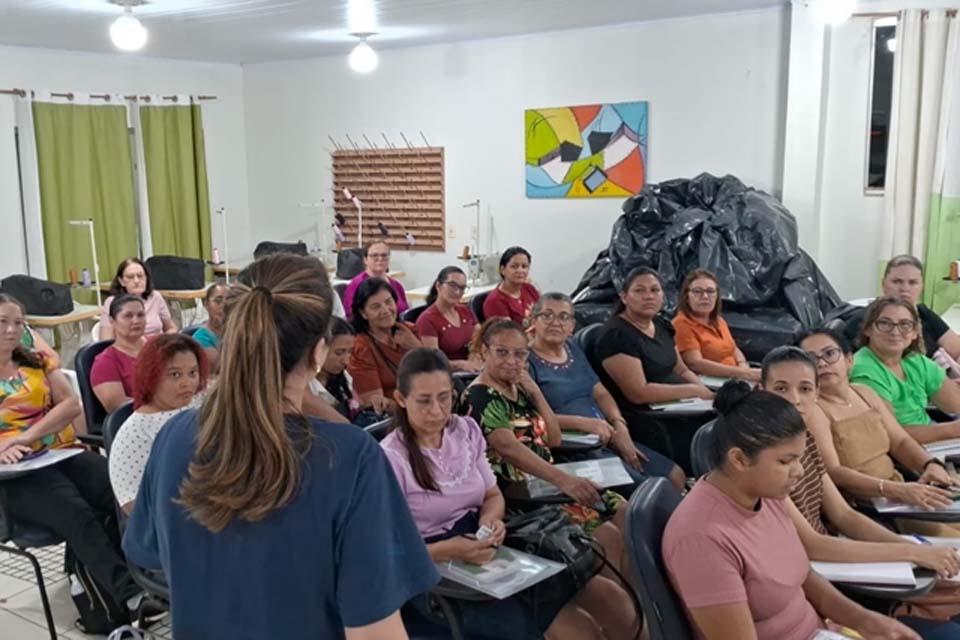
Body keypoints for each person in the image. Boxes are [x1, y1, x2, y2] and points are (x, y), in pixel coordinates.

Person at [122, 253, 439, 640]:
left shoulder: (173, 438)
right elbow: (375, 633)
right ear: (319, 351)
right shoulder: (349, 458)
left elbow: (154, 553)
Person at [383, 347, 640, 640]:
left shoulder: (464, 430)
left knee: (612, 598)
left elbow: (492, 496)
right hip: (432, 566)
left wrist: (490, 522)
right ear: (401, 399)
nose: (437, 411)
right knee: (577, 629)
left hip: (482, 543)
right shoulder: (390, 459)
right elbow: (384, 551)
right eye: (424, 401)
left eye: (444, 398)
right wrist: (452, 549)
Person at [663, 380, 919, 640]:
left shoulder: (764, 493)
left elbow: (802, 576)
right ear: (739, 459)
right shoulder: (700, 538)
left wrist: (864, 620)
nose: (799, 471)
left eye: (799, 458)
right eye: (786, 461)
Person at [758, 346, 960, 638]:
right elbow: (811, 544)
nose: (794, 399)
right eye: (780, 388)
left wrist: (919, 552)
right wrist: (910, 551)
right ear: (761, 390)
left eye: (805, 389)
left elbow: (844, 515)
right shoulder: (762, 457)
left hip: (841, 562)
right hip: (822, 579)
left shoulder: (805, 441)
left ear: (816, 394)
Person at [0, 293, 143, 628]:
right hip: (13, 474)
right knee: (75, 510)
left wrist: (26, 437)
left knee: (123, 491)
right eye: (2, 322)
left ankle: (154, 569)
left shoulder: (36, 361)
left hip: (57, 452)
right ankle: (131, 594)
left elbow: (71, 404)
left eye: (18, 323)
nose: (11, 330)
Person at [461, 318, 627, 568]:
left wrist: (536, 394)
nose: (511, 361)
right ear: (485, 352)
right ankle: (608, 585)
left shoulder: (517, 388)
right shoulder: (481, 395)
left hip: (545, 482)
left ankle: (626, 584)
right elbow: (508, 448)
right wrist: (564, 481)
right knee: (608, 535)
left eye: (519, 354)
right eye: (502, 352)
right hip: (518, 494)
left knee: (624, 510)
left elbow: (553, 438)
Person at [527, 292, 686, 490]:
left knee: (675, 476)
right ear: (534, 321)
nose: (555, 323)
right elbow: (532, 419)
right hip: (574, 448)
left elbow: (600, 392)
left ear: (572, 326)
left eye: (563, 317)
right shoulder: (525, 362)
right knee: (648, 491)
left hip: (606, 435)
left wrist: (619, 426)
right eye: (547, 315)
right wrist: (587, 424)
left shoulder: (572, 349)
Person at [798, 328, 956, 509]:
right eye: (811, 359)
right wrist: (894, 490)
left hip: (902, 490)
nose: (822, 363)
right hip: (866, 504)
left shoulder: (864, 392)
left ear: (849, 360)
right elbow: (834, 472)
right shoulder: (813, 411)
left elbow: (900, 441)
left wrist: (929, 465)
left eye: (830, 353)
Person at [593, 267, 713, 466]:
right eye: (639, 291)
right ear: (624, 297)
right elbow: (638, 393)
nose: (648, 296)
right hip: (649, 417)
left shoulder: (661, 324)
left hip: (685, 405)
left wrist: (705, 393)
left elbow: (681, 369)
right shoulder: (616, 335)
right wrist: (693, 390)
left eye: (655, 290)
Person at [108, 334, 209, 514]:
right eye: (175, 374)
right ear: (151, 376)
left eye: (193, 373)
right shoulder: (134, 433)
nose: (187, 383)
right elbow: (134, 507)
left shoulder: (199, 403)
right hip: (179, 518)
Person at [850, 297, 960, 443]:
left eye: (905, 324)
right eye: (885, 323)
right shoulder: (864, 371)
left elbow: (955, 403)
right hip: (902, 450)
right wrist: (952, 430)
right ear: (867, 329)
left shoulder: (914, 360)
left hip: (933, 439)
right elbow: (889, 435)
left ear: (915, 332)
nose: (895, 331)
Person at [844, 255, 960, 362]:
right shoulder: (864, 320)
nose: (905, 288)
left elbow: (957, 350)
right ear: (883, 284)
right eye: (897, 282)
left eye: (913, 283)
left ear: (922, 287)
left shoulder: (924, 314)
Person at [348, 277, 422, 415]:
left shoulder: (410, 331)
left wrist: (417, 347)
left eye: (389, 302)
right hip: (397, 415)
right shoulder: (361, 347)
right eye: (376, 306)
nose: (386, 310)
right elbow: (376, 403)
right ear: (363, 313)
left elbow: (439, 371)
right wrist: (416, 409)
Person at [672, 268, 761, 382]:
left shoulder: (719, 320)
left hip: (736, 377)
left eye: (710, 291)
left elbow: (733, 348)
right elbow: (695, 364)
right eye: (697, 291)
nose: (705, 296)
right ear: (686, 296)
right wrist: (743, 373)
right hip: (709, 382)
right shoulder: (681, 323)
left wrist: (743, 366)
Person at [415, 266, 480, 372]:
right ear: (438, 286)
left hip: (472, 368)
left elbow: (481, 339)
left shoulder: (465, 311)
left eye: (462, 288)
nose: (457, 292)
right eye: (452, 286)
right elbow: (433, 361)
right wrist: (461, 364)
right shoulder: (427, 320)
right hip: (448, 373)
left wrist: (476, 357)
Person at [91, 294, 148, 413]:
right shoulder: (105, 363)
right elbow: (118, 408)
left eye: (140, 315)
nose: (136, 321)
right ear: (112, 321)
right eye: (128, 316)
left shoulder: (160, 347)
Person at [99, 258, 176, 340]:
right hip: (129, 346)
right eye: (130, 277)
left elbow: (172, 328)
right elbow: (106, 340)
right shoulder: (112, 302)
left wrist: (161, 341)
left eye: (140, 276)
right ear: (121, 281)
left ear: (146, 278)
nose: (136, 281)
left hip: (157, 344)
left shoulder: (155, 296)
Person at [303, 317, 359, 423]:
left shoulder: (344, 377)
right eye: (339, 353)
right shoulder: (304, 384)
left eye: (350, 352)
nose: (346, 361)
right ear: (318, 348)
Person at [342, 241, 409, 320]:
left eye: (384, 255)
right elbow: (352, 315)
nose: (380, 259)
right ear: (365, 260)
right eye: (374, 255)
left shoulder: (396, 285)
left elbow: (405, 312)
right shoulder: (357, 284)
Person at [483, 246, 540, 324]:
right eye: (514, 266)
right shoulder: (495, 301)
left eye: (524, 266)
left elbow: (544, 313)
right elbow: (505, 331)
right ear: (502, 270)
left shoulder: (529, 288)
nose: (520, 270)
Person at [192, 281, 228, 371]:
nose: (223, 306)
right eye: (218, 301)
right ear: (206, 303)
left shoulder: (237, 332)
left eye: (228, 301)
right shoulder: (201, 339)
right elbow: (222, 369)